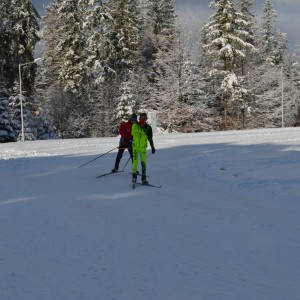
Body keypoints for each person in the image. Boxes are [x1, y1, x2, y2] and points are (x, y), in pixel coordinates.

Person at [131, 112, 155, 184]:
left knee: (143, 162)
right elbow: (132, 135)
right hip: (135, 147)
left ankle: (143, 178)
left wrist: (152, 146)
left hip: (143, 148)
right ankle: (134, 176)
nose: (143, 120)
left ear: (146, 119)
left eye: (145, 118)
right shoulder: (135, 125)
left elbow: (150, 138)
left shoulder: (148, 128)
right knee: (135, 162)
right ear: (139, 118)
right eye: (142, 118)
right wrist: (130, 141)